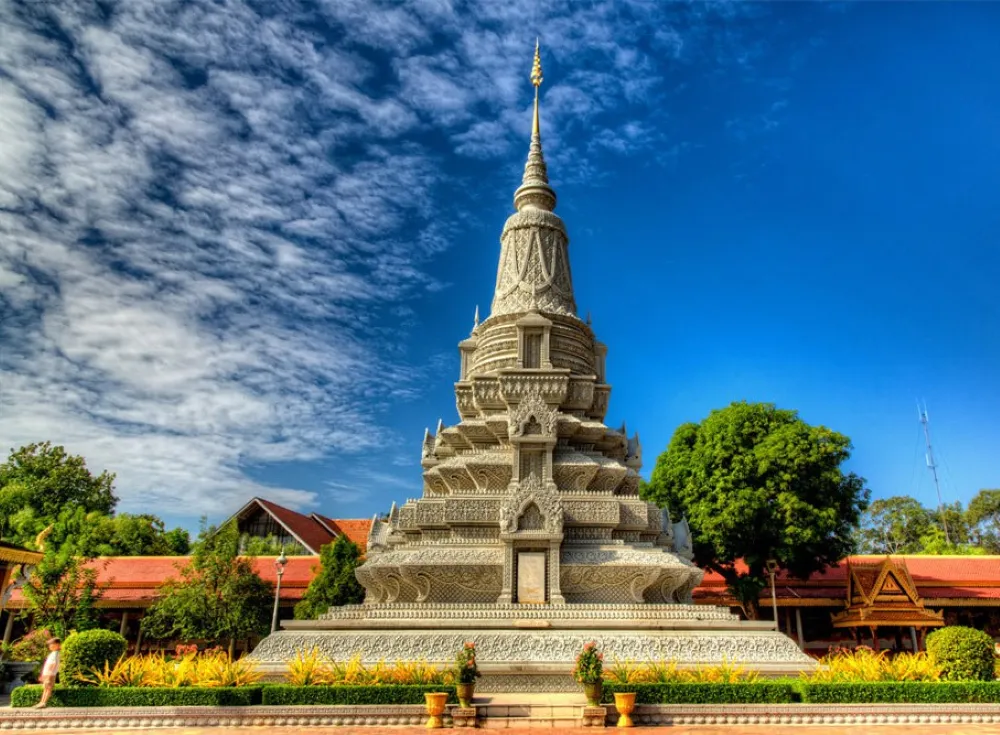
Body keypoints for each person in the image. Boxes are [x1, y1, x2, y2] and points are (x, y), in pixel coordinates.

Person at [33, 637, 61, 709]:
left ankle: (43, 703)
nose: (50, 646)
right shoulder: (53, 653)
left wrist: (48, 677)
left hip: (50, 674)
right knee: (46, 688)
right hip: (48, 674)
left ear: (57, 645)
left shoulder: (55, 653)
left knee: (48, 688)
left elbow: (53, 664)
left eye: (51, 644)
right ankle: (42, 702)